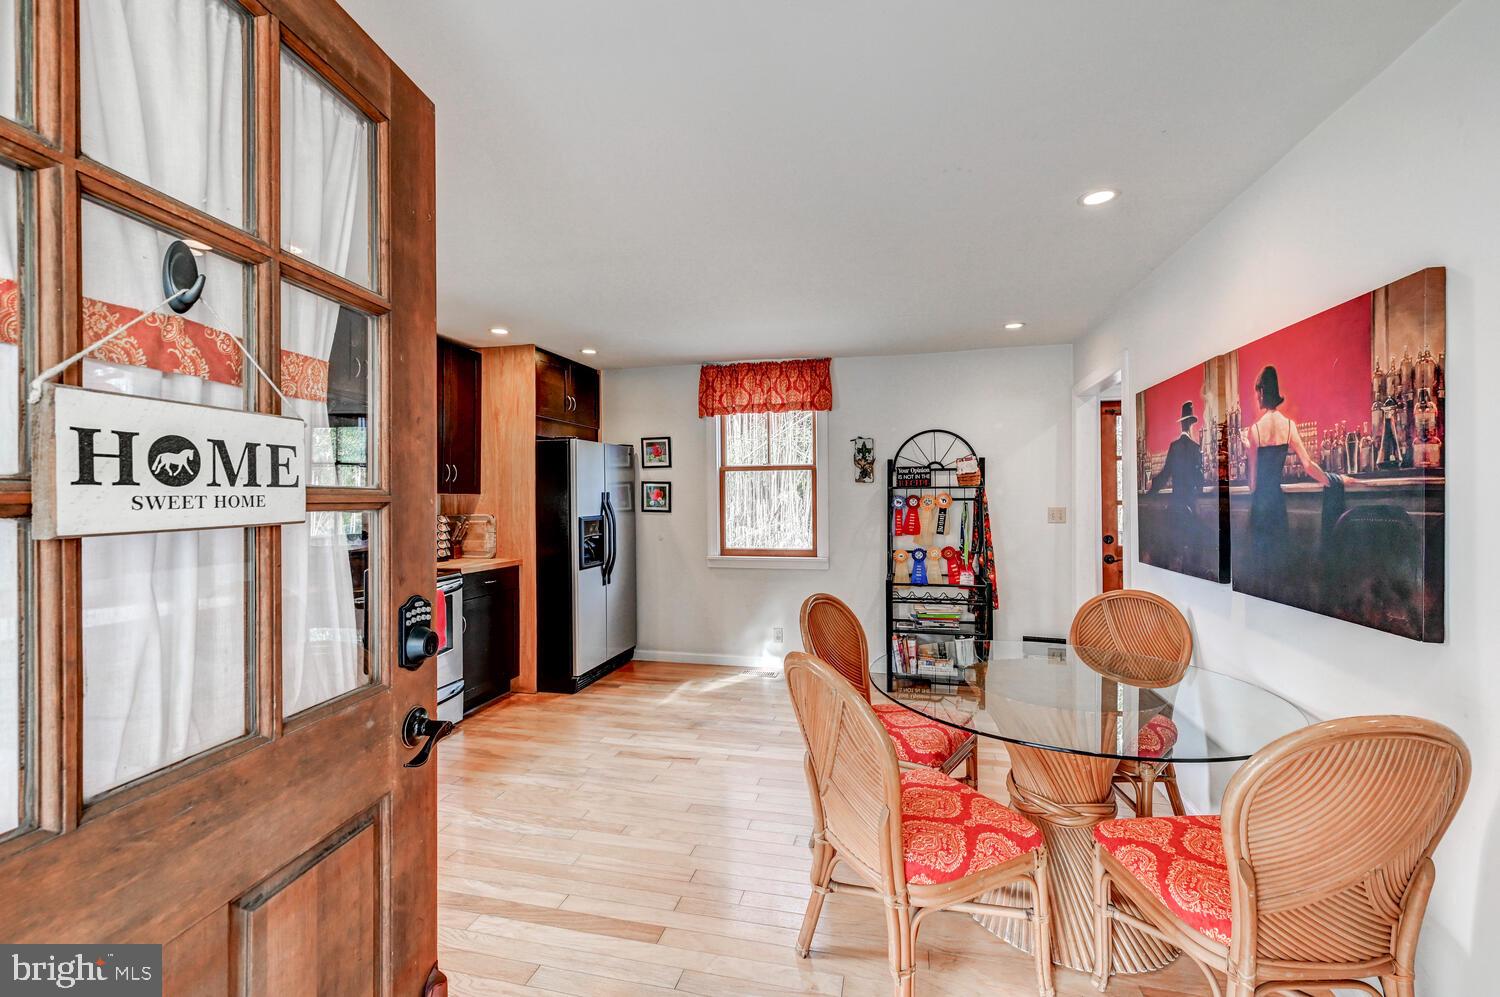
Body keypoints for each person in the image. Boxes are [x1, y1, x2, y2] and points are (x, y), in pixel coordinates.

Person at [1245, 365, 1328, 577]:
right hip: (1277, 503)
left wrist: (1247, 450)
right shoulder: (1289, 426)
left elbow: (1252, 484)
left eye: (1257, 392)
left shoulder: (1254, 431)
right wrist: (1330, 480)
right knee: (1279, 565)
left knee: (1260, 566)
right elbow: (1308, 465)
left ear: (1262, 392)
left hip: (1260, 505)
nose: (1256, 397)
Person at [1149, 401, 1207, 568]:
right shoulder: (1196, 448)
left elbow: (1165, 474)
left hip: (1175, 507)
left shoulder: (1174, 446)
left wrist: (1151, 490)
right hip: (1190, 507)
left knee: (1175, 548)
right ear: (1191, 425)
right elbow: (1199, 480)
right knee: (1196, 546)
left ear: (1182, 424)